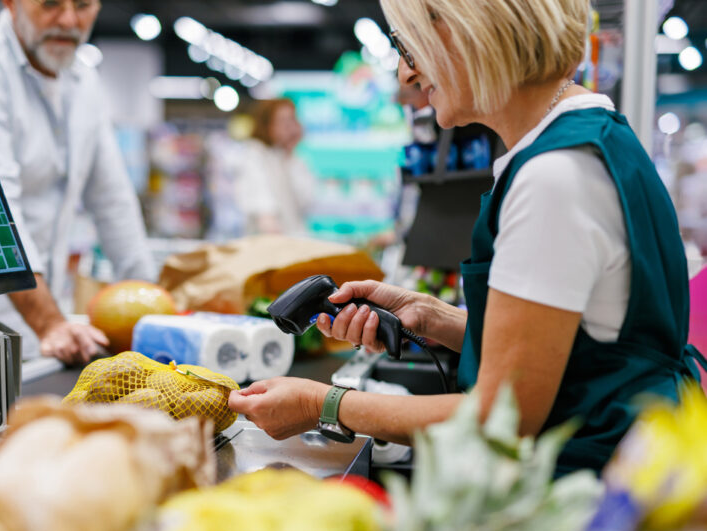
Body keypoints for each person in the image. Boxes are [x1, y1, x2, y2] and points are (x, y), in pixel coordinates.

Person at [229, 0, 704, 476]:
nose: (405, 76)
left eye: (408, 47)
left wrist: (323, 404)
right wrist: (433, 317)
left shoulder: (553, 179)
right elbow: (583, 348)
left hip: (589, 491)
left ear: (466, 31)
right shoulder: (589, 140)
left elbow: (499, 419)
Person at [0, 0, 156, 364]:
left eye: (82, 5)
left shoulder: (85, 81)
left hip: (45, 329)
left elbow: (113, 203)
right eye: (50, 3)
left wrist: (153, 311)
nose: (68, 20)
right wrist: (48, 321)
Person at [233, 98, 316, 235]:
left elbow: (304, 201)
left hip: (292, 240)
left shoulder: (290, 158)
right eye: (282, 121)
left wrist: (290, 154)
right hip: (271, 243)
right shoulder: (254, 154)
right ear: (267, 124)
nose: (289, 127)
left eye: (292, 119)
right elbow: (262, 205)